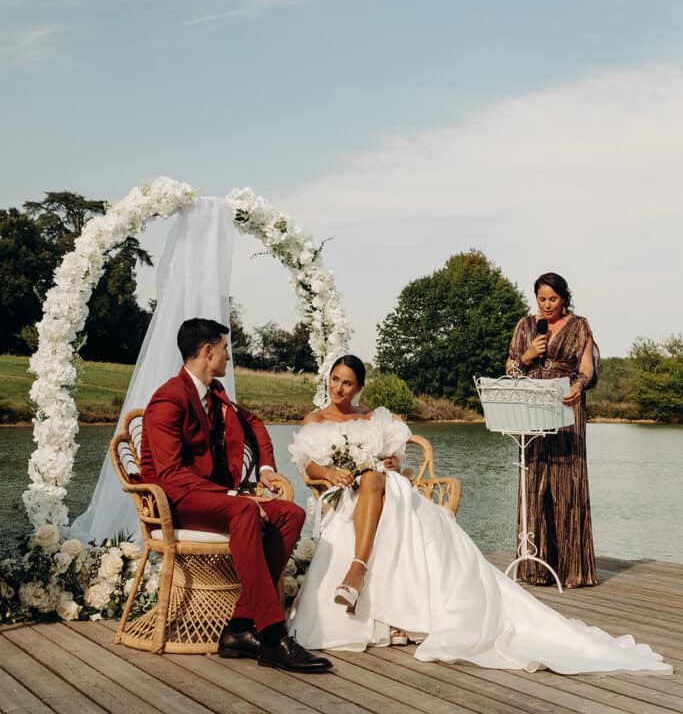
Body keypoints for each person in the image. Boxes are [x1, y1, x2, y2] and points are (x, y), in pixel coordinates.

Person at [287, 355, 671, 675]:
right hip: (343, 489)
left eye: (348, 383)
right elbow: (308, 467)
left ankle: (361, 575)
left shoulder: (373, 418)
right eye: (335, 380)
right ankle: (376, 595)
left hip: (385, 487)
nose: (339, 389)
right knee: (373, 486)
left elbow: (396, 462)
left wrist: (390, 462)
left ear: (359, 387)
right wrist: (331, 473)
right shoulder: (315, 420)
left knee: (383, 483)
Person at [140, 317, 331, 673]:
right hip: (177, 500)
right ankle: (273, 636)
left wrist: (266, 469)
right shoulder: (168, 398)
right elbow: (171, 475)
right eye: (225, 349)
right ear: (208, 351)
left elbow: (253, 424)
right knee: (245, 511)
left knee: (291, 514)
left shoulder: (214, 393)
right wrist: (234, 495)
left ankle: (239, 627)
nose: (228, 357)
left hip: (214, 498)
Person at [506, 272, 598, 588]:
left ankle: (573, 569)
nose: (547, 305)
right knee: (533, 482)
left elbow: (587, 366)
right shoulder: (524, 326)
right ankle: (535, 568)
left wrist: (579, 385)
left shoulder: (579, 326)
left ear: (564, 298)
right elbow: (511, 368)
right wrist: (528, 355)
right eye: (541, 299)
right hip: (532, 407)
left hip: (567, 405)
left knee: (566, 484)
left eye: (553, 299)